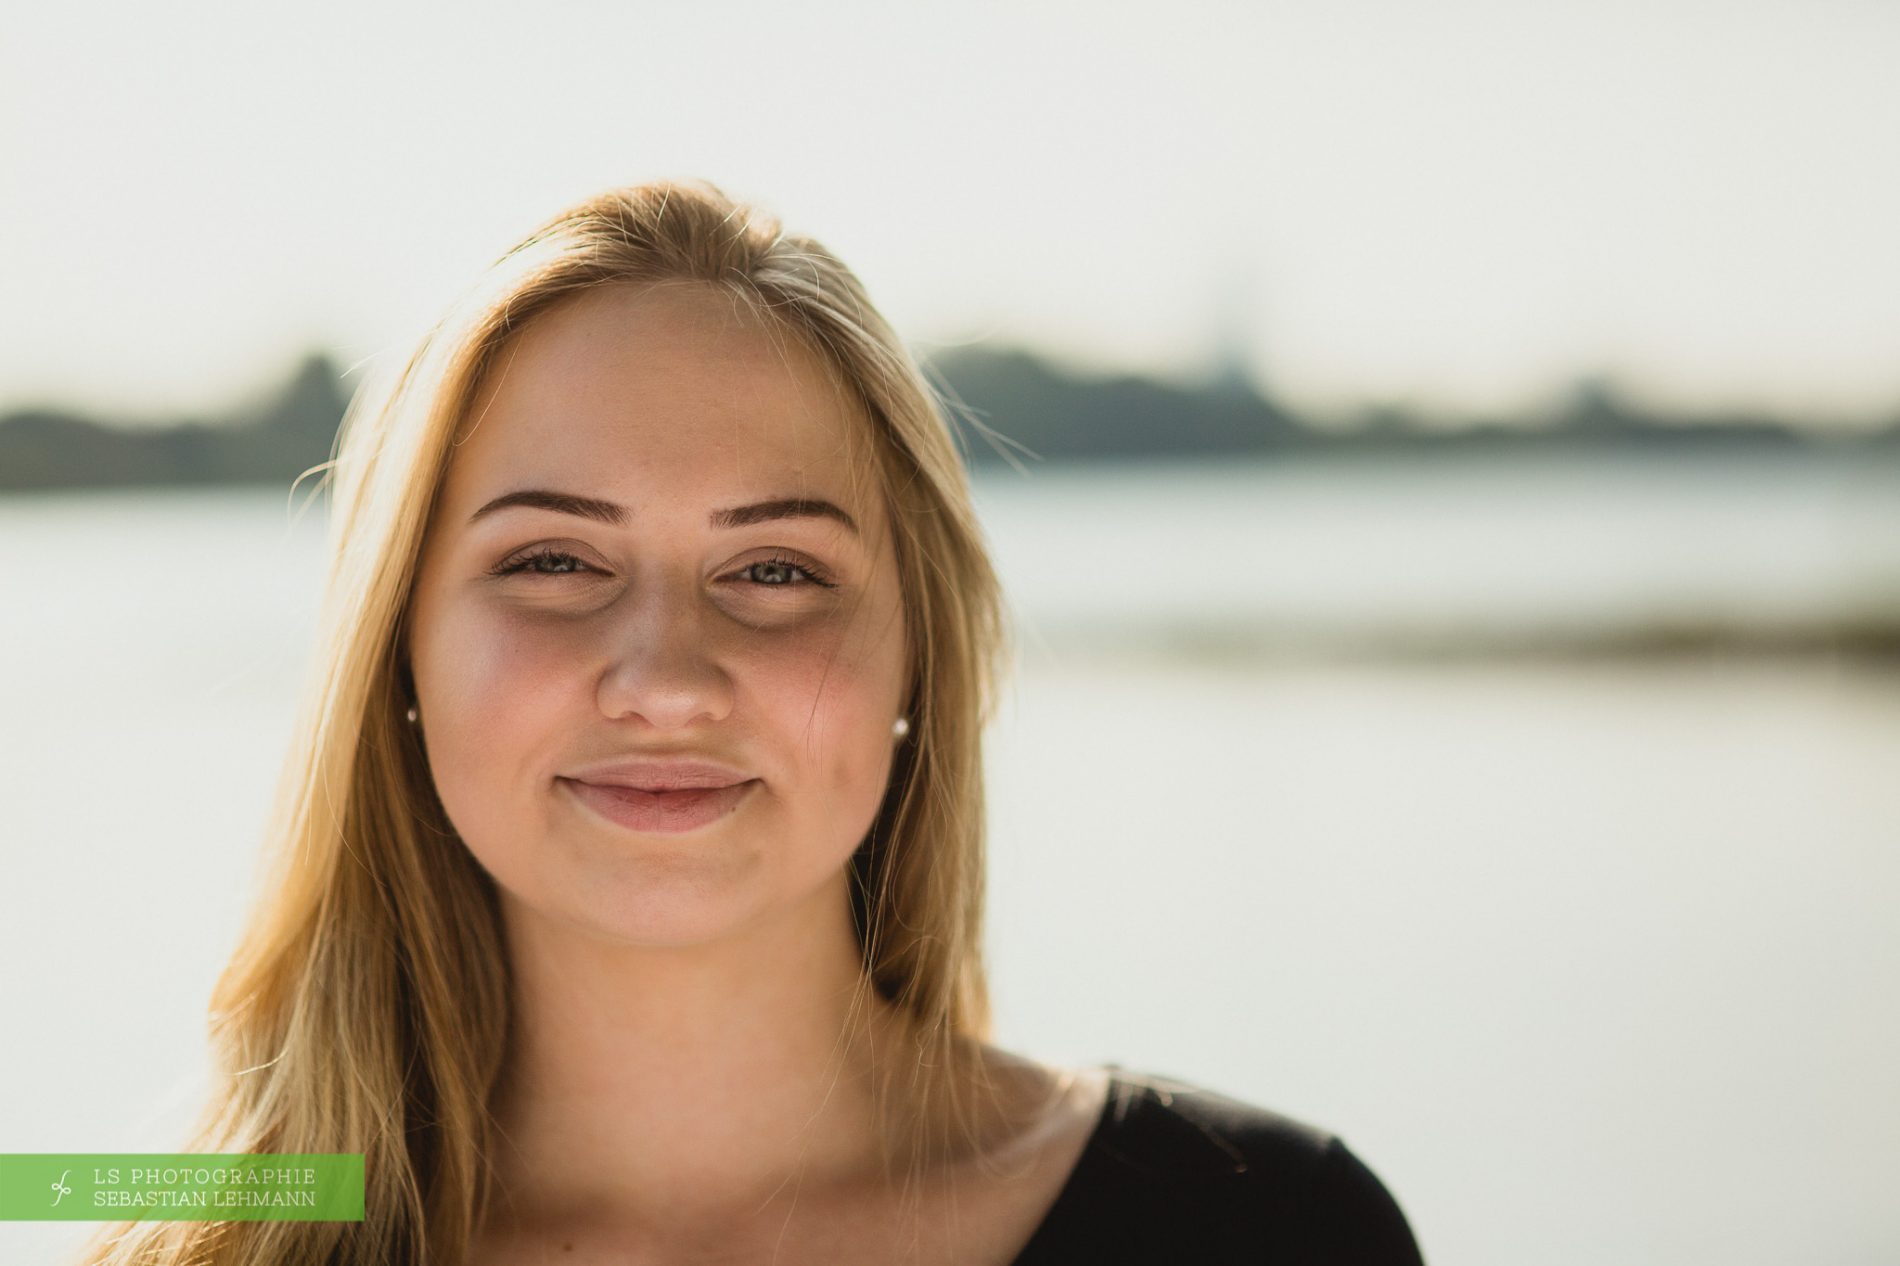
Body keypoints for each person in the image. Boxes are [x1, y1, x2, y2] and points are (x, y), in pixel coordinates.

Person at [75, 179, 1426, 1265]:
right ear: (403, 654)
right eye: (553, 561)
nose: (666, 678)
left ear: (917, 665)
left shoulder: (1265, 1225)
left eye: (775, 571)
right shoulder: (196, 1239)